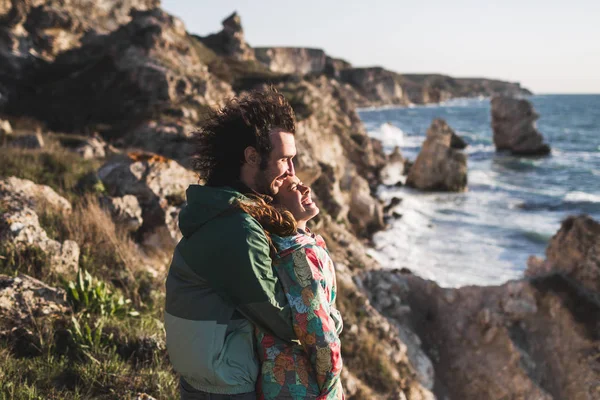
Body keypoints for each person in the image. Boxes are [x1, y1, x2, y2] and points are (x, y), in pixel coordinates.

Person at [164, 89, 299, 399]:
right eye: (284, 160)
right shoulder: (237, 227)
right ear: (252, 157)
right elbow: (284, 321)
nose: (292, 171)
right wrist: (331, 318)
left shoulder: (218, 204)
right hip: (224, 382)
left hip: (207, 372)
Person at [236, 176, 344, 400]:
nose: (306, 188)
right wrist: (332, 388)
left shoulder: (275, 247)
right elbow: (319, 335)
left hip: (275, 383)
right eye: (294, 188)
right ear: (274, 206)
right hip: (303, 388)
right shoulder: (299, 255)